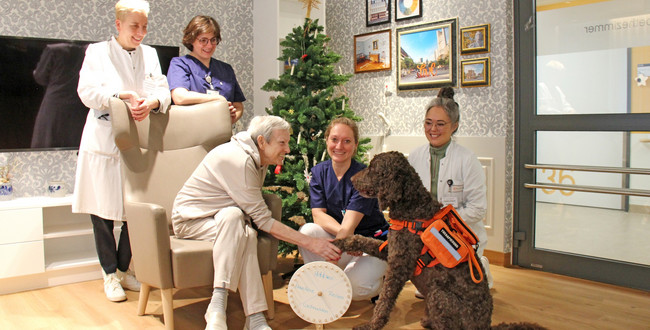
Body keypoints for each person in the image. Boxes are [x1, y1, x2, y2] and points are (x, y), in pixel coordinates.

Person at [171, 115, 341, 330]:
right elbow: (263, 221)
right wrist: (311, 242)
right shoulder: (239, 160)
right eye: (282, 143)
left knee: (238, 222)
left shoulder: (254, 156)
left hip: (223, 219)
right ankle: (232, 310)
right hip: (191, 220)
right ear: (262, 141)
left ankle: (238, 315)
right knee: (239, 223)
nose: (288, 149)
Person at [72, 0, 171, 302]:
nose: (140, 33)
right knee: (101, 209)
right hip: (104, 138)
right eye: (134, 27)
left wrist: (152, 103)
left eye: (144, 27)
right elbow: (86, 92)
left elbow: (161, 90)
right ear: (118, 24)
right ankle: (109, 273)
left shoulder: (150, 54)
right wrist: (119, 96)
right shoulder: (97, 52)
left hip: (139, 139)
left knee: (135, 208)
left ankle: (125, 270)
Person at [408, 87, 493, 290]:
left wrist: (442, 223)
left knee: (460, 291)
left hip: (459, 235)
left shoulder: (467, 159)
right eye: (428, 123)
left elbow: (477, 208)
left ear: (454, 126)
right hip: (425, 233)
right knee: (426, 287)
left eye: (440, 124)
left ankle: (481, 267)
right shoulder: (415, 157)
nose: (433, 129)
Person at [298, 117, 389, 301]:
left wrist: (348, 238)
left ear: (355, 145)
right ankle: (321, 284)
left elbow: (349, 226)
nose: (339, 146)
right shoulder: (319, 172)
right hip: (347, 241)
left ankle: (382, 284)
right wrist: (348, 240)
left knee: (353, 290)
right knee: (307, 231)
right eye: (334, 139)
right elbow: (318, 216)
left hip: (373, 243)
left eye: (347, 141)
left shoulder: (365, 177)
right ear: (327, 140)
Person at [166, 15, 244, 124]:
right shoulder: (180, 64)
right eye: (203, 40)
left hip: (221, 133)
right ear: (191, 40)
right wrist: (218, 100)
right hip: (191, 132)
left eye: (213, 40)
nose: (209, 45)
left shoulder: (226, 69)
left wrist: (231, 118)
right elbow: (179, 97)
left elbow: (238, 105)